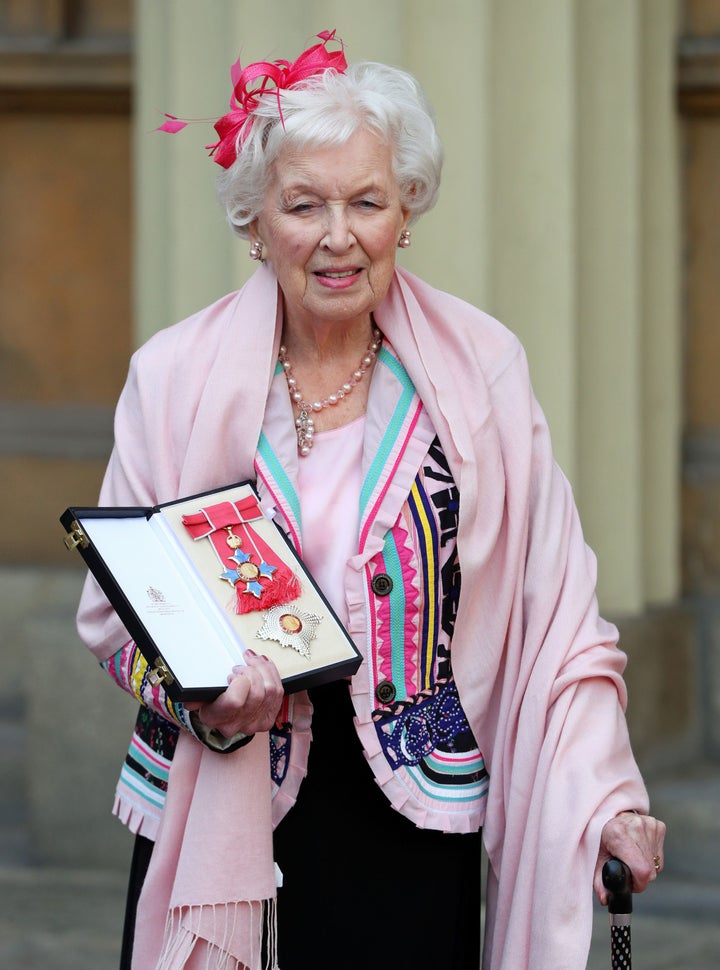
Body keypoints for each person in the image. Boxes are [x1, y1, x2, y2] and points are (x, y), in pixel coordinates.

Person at [77, 29, 665, 970]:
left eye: (367, 201)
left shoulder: (481, 371)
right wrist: (202, 697)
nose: (338, 235)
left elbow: (559, 616)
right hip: (216, 802)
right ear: (256, 222)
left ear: (407, 214)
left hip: (411, 826)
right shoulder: (171, 377)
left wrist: (608, 798)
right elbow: (116, 622)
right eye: (304, 204)